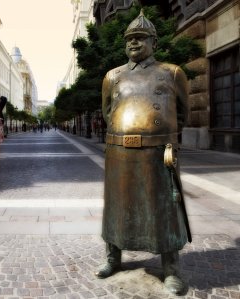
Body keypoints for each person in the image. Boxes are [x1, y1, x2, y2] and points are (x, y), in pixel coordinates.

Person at [96, 10, 191, 295]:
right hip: (120, 152)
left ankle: (171, 270)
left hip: (158, 153)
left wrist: (163, 137)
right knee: (116, 205)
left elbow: (183, 113)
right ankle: (113, 258)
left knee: (165, 210)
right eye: (129, 39)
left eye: (140, 38)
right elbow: (107, 113)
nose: (133, 43)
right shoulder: (113, 76)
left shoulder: (172, 73)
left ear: (154, 41)